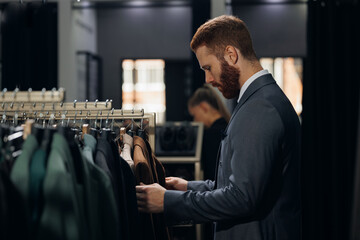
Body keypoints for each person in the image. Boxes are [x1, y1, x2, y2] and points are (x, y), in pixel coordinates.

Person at [136, 15, 301, 240]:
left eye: (209, 67)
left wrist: (167, 201)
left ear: (231, 55)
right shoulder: (256, 101)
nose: (208, 79)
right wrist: (187, 187)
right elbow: (239, 182)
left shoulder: (260, 107)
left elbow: (241, 197)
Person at [188, 84, 230, 181]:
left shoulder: (210, 135)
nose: (194, 121)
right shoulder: (229, 126)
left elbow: (212, 178)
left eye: (194, 115)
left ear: (204, 107)